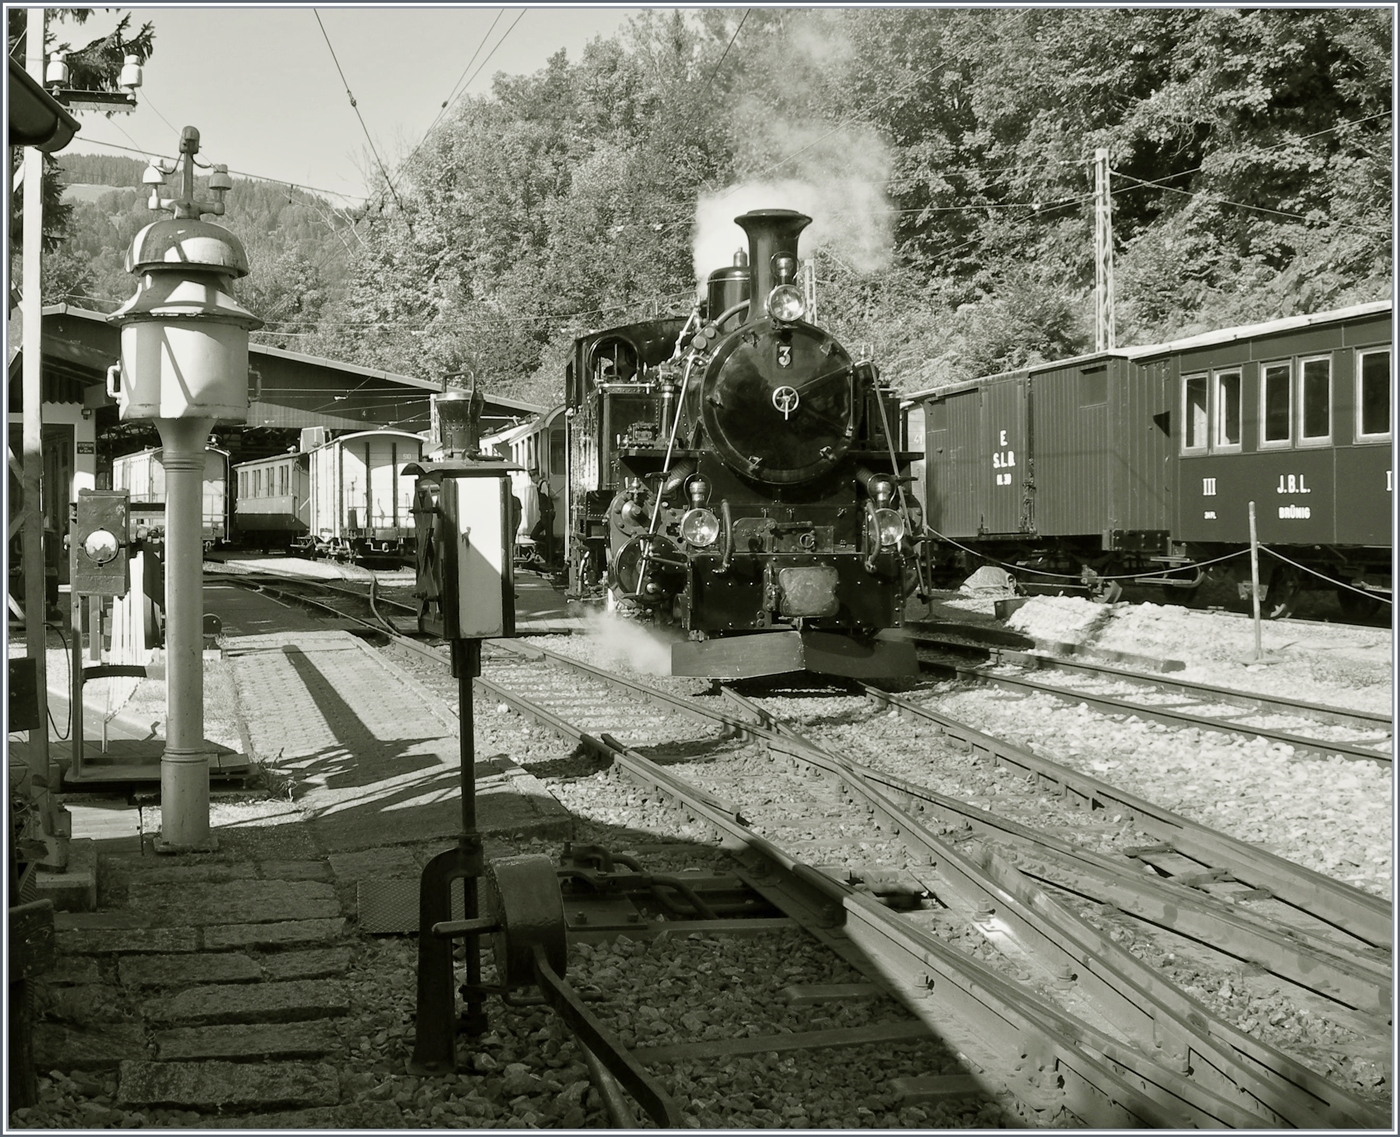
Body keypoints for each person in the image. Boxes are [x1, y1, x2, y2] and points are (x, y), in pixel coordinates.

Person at [530, 474, 556, 568]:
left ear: (537, 476)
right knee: (536, 535)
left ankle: (550, 559)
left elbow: (552, 495)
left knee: (548, 537)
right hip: (544, 515)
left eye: (533, 476)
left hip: (547, 514)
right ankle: (546, 555)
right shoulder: (540, 485)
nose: (532, 479)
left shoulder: (543, 484)